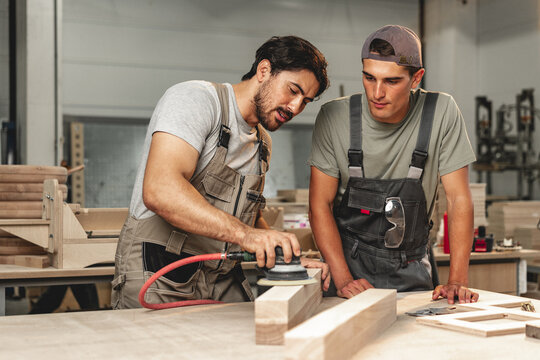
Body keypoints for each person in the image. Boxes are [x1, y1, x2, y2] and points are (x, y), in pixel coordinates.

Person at [112, 35, 330, 309]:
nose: (296, 107)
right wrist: (246, 236)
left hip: (219, 278)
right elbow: (160, 190)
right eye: (293, 90)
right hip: (162, 275)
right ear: (264, 71)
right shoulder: (196, 100)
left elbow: (249, 221)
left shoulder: (262, 142)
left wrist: (288, 258)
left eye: (306, 101)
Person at [308, 25, 479, 304]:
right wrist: (343, 279)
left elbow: (459, 200)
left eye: (391, 81)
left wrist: (457, 281)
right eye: (368, 77)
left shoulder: (442, 113)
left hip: (411, 271)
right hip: (346, 274)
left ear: (416, 78)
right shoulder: (334, 118)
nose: (377, 93)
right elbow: (319, 205)